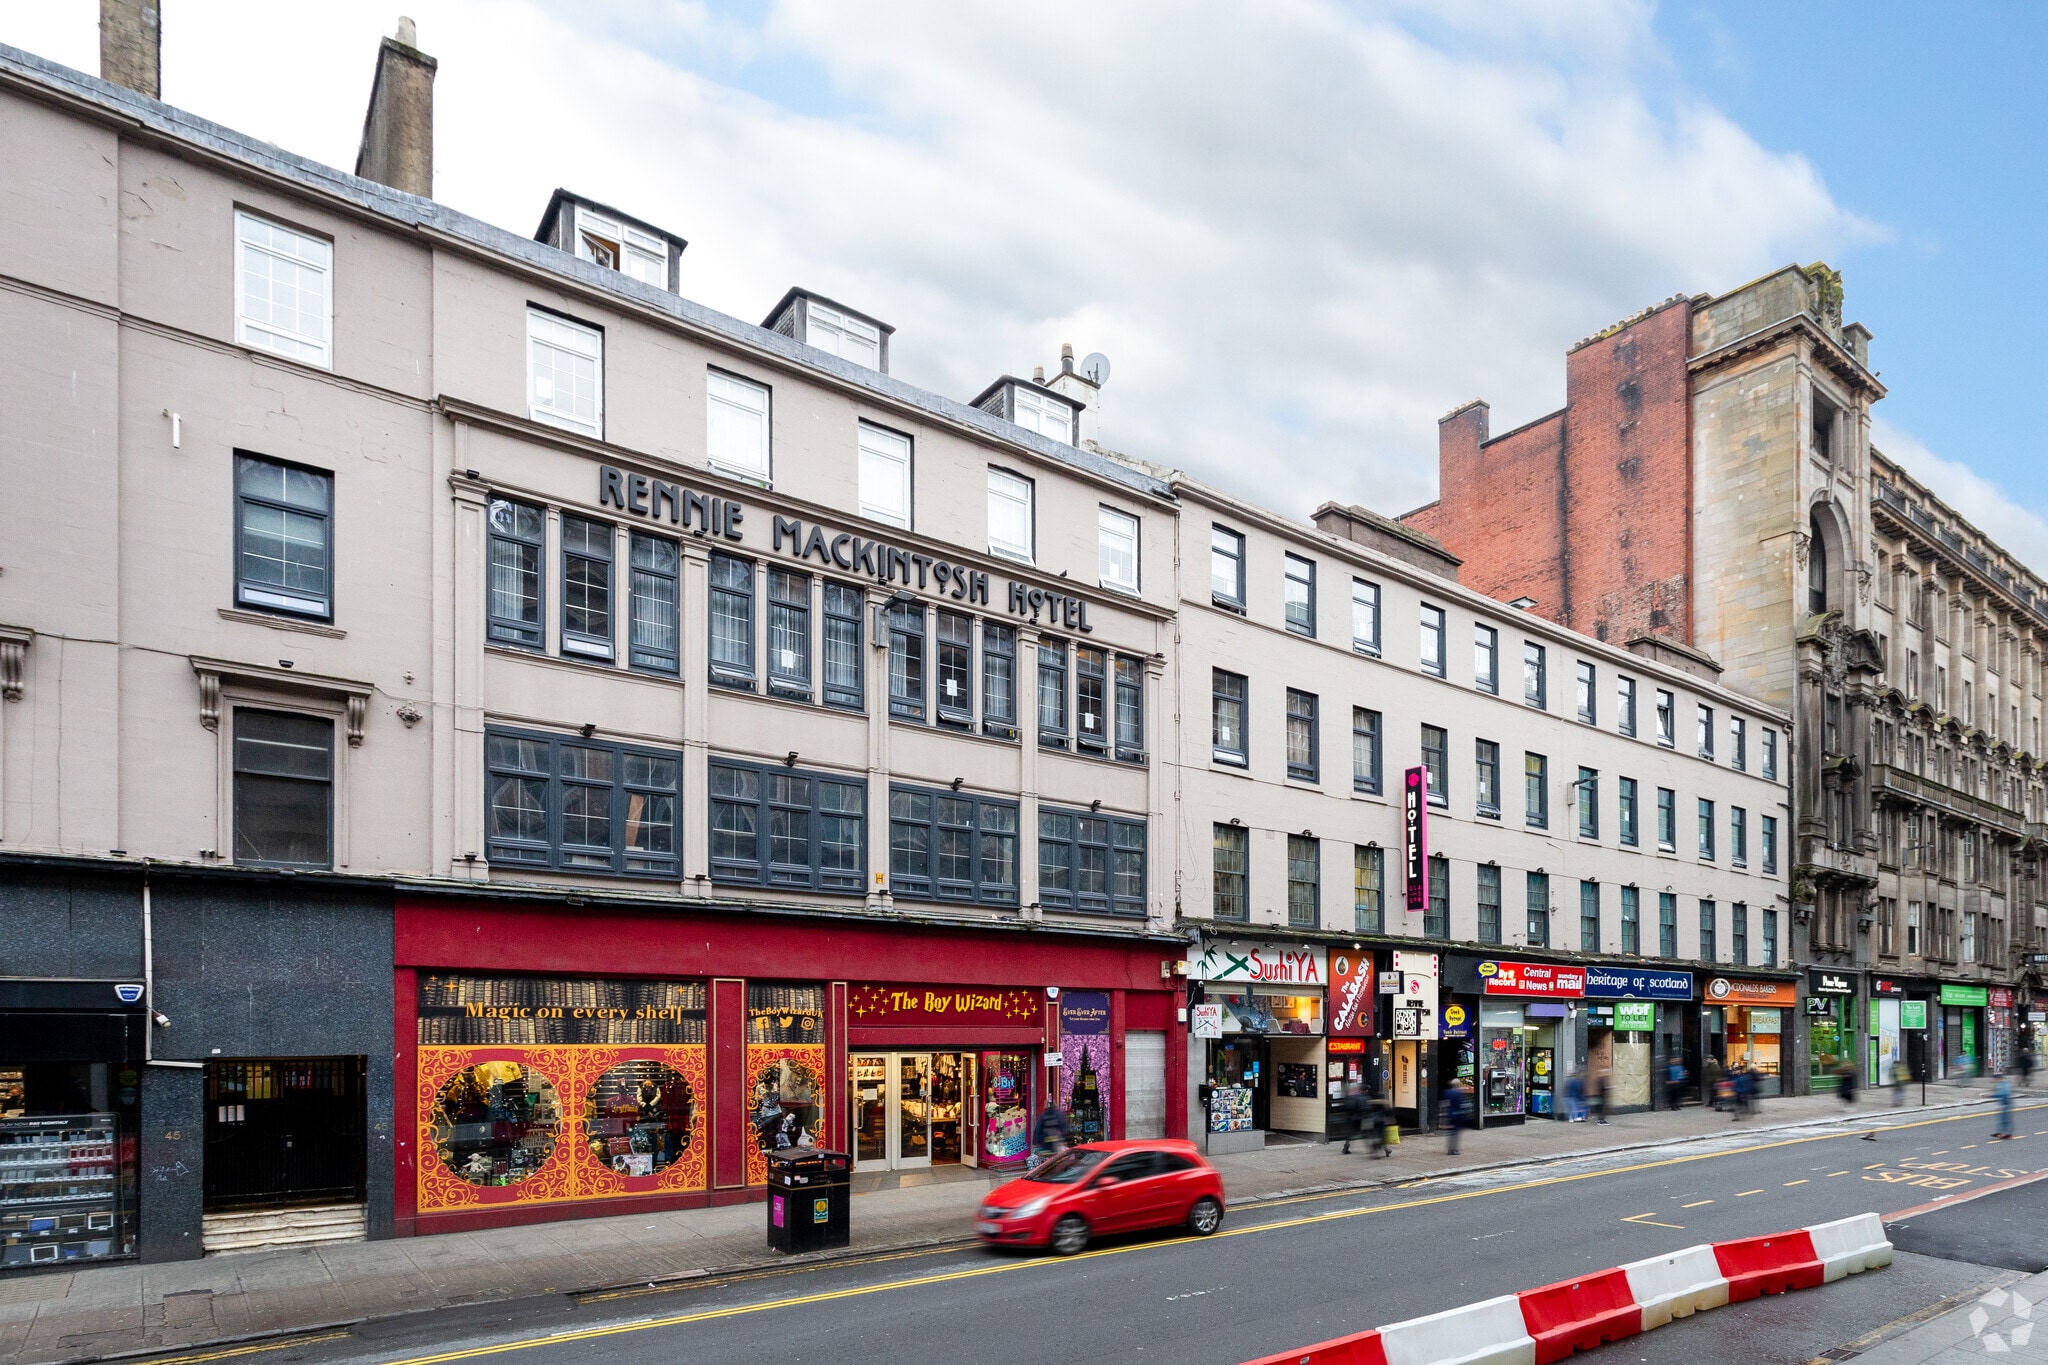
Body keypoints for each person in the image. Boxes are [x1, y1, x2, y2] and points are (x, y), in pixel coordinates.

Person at [1030, 1100, 1070, 1171]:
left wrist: (1035, 1141)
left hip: (1044, 1144)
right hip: (1056, 1144)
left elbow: (1038, 1129)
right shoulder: (1059, 1114)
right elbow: (1064, 1129)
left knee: (1045, 1162)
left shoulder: (1043, 1115)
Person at [1442, 1076, 1472, 1156]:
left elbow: (1446, 1104)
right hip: (1457, 1115)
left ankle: (1450, 1148)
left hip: (1450, 1114)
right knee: (1456, 1133)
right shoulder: (1458, 1093)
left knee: (1451, 1133)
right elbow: (1461, 1105)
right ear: (1457, 1085)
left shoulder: (1447, 1092)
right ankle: (1453, 1149)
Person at [1339, 1081, 1367, 1155]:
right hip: (1360, 1119)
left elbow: (1345, 1107)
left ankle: (1346, 1147)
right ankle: (1385, 1149)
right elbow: (1363, 1109)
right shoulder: (1362, 1097)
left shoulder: (1350, 1097)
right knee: (1371, 1133)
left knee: (1350, 1134)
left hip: (1351, 1119)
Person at [1992, 1072, 2016, 1140]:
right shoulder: (2005, 1083)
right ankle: (2003, 1133)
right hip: (2007, 1104)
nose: (1993, 1080)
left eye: (1994, 1078)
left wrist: (2003, 1104)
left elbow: (2003, 1094)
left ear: (1998, 1078)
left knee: (2003, 1120)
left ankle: (2005, 1134)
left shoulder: (2002, 1085)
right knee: (2004, 1119)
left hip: (2006, 1104)